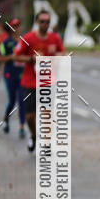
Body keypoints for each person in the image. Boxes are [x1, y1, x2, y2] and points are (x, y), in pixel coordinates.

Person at [14, 10, 64, 152]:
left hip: (49, 82)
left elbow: (62, 52)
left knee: (47, 113)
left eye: (47, 22)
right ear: (37, 22)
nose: (45, 24)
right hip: (30, 82)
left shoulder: (55, 38)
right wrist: (32, 58)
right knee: (30, 116)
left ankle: (46, 143)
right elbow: (16, 56)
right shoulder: (28, 38)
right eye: (42, 21)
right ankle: (34, 135)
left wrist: (53, 57)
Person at [0, 18, 25, 137]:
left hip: (22, 75)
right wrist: (11, 57)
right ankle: (6, 120)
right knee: (12, 101)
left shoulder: (25, 42)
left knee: (22, 101)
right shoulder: (5, 42)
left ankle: (22, 127)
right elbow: (0, 58)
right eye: (14, 26)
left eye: (18, 25)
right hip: (9, 75)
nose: (17, 28)